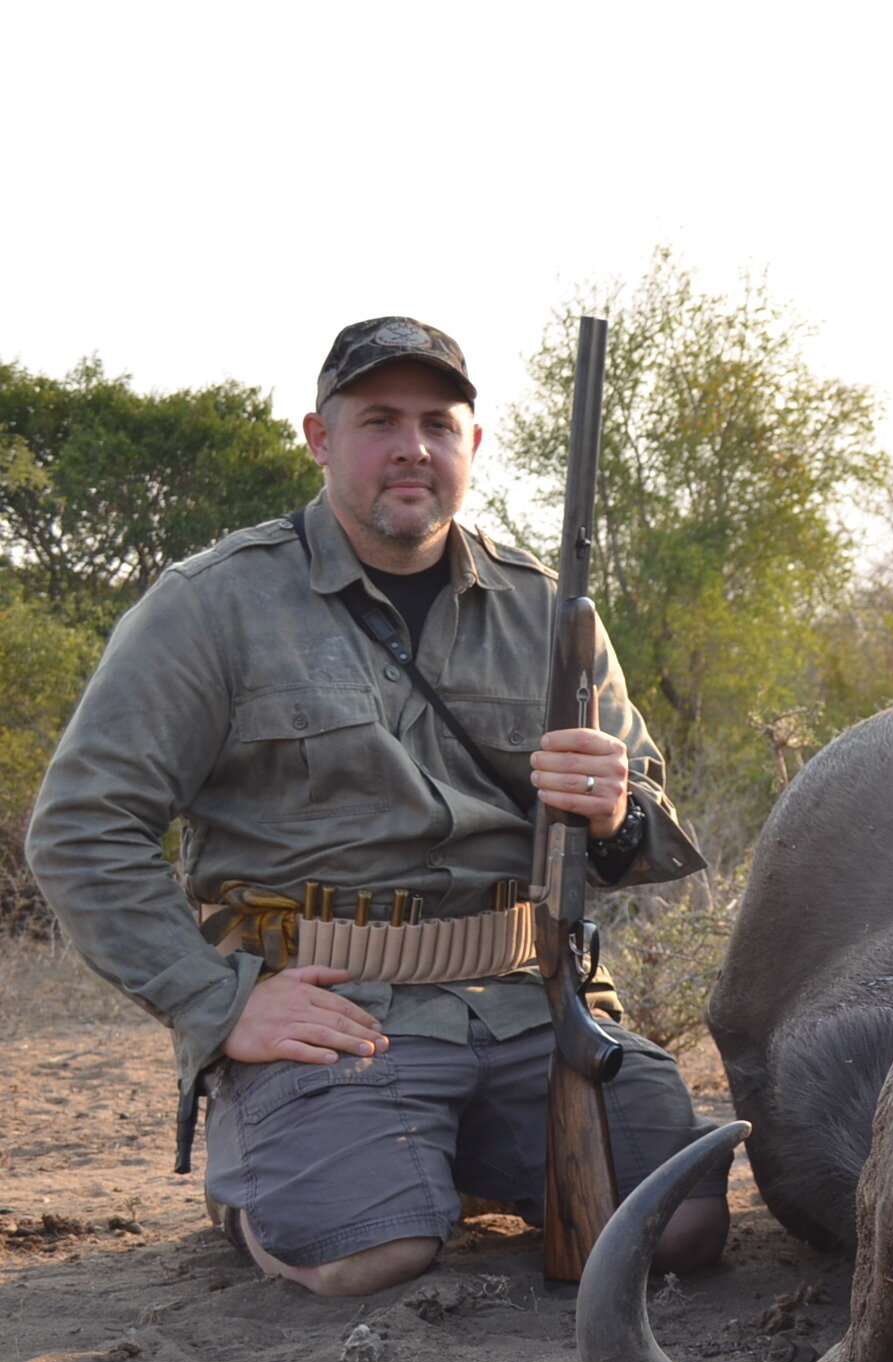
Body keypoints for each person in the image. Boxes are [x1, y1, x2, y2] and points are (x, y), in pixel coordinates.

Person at [27, 317, 730, 1297]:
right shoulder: (211, 605)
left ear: (471, 447)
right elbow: (81, 824)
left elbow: (642, 818)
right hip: (340, 1011)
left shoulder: (547, 610)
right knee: (371, 1255)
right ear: (320, 437)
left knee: (684, 1225)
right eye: (378, 421)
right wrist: (218, 1003)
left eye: (438, 423)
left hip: (534, 1002)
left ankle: (449, 1160)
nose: (412, 448)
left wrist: (616, 809)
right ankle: (266, 1169)